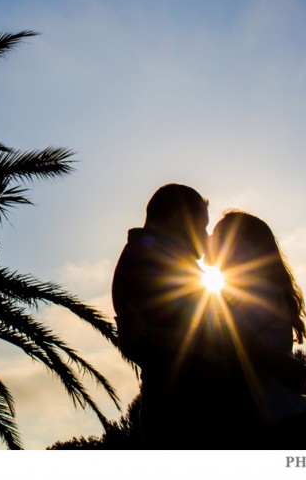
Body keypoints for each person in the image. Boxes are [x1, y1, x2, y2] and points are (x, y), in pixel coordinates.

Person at [111, 183, 227, 448]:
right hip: (184, 411)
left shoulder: (158, 258)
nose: (205, 236)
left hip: (180, 405)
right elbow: (204, 337)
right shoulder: (152, 262)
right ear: (179, 221)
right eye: (201, 226)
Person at [208, 210, 306, 449]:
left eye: (217, 236)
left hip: (279, 425)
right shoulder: (240, 291)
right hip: (274, 420)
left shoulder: (254, 290)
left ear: (244, 247)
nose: (209, 240)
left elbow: (233, 344)